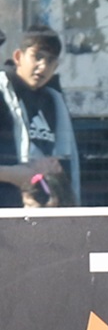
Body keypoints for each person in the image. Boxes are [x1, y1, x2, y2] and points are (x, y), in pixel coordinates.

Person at [0, 24, 80, 207]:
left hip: (42, 212)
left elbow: (64, 161)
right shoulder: (2, 94)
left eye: (50, 60)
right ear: (18, 57)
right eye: (38, 56)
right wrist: (13, 174)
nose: (43, 66)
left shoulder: (53, 101)